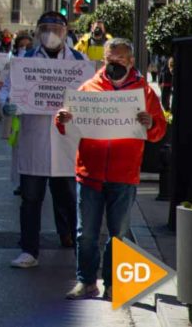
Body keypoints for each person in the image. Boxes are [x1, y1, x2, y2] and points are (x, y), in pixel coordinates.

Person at [55, 38, 166, 301]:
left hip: (123, 175)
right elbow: (68, 124)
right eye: (109, 60)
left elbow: (158, 131)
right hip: (89, 173)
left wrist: (150, 123)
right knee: (85, 234)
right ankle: (86, 281)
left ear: (130, 61)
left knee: (118, 235)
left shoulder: (144, 92)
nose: (113, 65)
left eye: (119, 60)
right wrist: (62, 119)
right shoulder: (89, 87)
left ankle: (113, 285)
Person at [0, 12, 84, 269]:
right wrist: (7, 105)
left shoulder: (79, 62)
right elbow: (5, 90)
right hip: (34, 140)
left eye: (55, 29)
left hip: (66, 142)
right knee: (31, 199)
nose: (50, 34)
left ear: (65, 32)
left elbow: (91, 95)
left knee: (69, 200)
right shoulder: (24, 61)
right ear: (38, 32)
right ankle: (29, 250)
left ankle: (80, 249)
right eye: (45, 28)